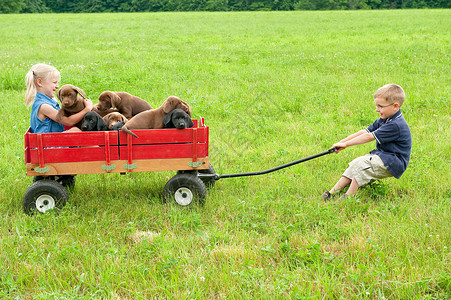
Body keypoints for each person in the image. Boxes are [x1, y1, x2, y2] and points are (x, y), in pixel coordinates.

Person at [322, 83, 411, 201]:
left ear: (395, 106)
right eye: (376, 105)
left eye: (380, 106)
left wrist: (347, 144)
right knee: (354, 165)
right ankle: (332, 193)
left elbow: (369, 137)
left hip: (393, 161)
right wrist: (342, 142)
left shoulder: (396, 125)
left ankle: (348, 197)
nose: (377, 109)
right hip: (384, 156)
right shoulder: (385, 119)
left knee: (361, 164)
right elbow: (364, 132)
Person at [25, 63, 93, 133]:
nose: (57, 86)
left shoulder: (48, 101)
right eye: (54, 82)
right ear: (39, 82)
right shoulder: (44, 106)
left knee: (76, 130)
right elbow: (68, 121)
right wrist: (87, 109)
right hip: (46, 142)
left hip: (51, 139)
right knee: (75, 131)